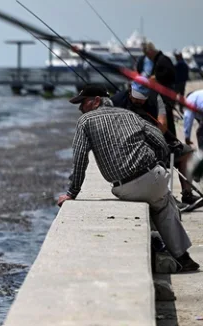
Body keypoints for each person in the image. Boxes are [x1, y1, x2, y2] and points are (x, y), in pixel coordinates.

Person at [58, 84, 199, 272]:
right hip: (154, 176)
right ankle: (182, 256)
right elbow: (159, 140)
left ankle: (169, 253)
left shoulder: (85, 121)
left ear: (96, 101)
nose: (80, 108)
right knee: (164, 204)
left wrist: (71, 192)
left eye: (82, 103)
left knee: (162, 203)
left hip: (125, 186)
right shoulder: (130, 115)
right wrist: (159, 162)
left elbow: (80, 157)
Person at [112, 83, 198, 207]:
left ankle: (187, 195)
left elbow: (162, 123)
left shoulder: (155, 98)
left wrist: (155, 138)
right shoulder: (117, 101)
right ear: (130, 91)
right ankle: (166, 197)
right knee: (154, 156)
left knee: (187, 152)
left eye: (142, 99)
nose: (139, 102)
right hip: (130, 146)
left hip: (155, 140)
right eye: (136, 98)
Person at [137, 41, 177, 138]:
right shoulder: (157, 60)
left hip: (166, 96)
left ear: (150, 51)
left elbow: (171, 75)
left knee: (167, 119)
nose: (147, 56)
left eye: (147, 54)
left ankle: (172, 140)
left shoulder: (163, 59)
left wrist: (156, 78)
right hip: (160, 95)